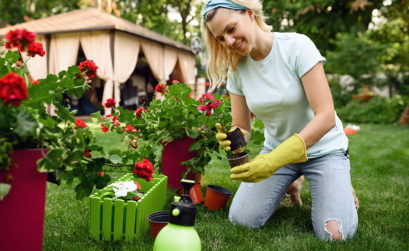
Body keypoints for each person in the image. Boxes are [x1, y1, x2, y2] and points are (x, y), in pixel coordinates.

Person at [201, 0, 358, 241]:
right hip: (278, 153)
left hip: (324, 151)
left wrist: (272, 161)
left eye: (231, 29)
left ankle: (340, 186)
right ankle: (293, 182)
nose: (229, 42)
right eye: (221, 38)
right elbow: (242, 126)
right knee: (242, 219)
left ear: (250, 14)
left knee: (334, 235)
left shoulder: (297, 47)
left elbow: (325, 117)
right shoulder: (236, 69)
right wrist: (234, 138)